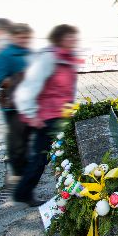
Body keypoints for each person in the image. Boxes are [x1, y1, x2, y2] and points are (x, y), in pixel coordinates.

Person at [13, 24, 79, 206]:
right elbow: (29, 86)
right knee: (40, 157)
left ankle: (68, 188)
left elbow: (68, 89)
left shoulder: (68, 57)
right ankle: (23, 192)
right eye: (70, 37)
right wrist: (31, 114)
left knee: (57, 153)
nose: (74, 40)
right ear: (59, 39)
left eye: (74, 37)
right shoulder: (49, 58)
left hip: (61, 114)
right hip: (47, 117)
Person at [0, 23, 33, 178]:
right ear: (13, 37)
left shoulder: (29, 53)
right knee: (17, 138)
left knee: (26, 135)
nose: (23, 40)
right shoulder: (5, 55)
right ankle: (18, 171)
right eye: (20, 37)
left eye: (26, 37)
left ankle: (25, 163)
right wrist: (21, 80)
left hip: (29, 102)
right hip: (13, 105)